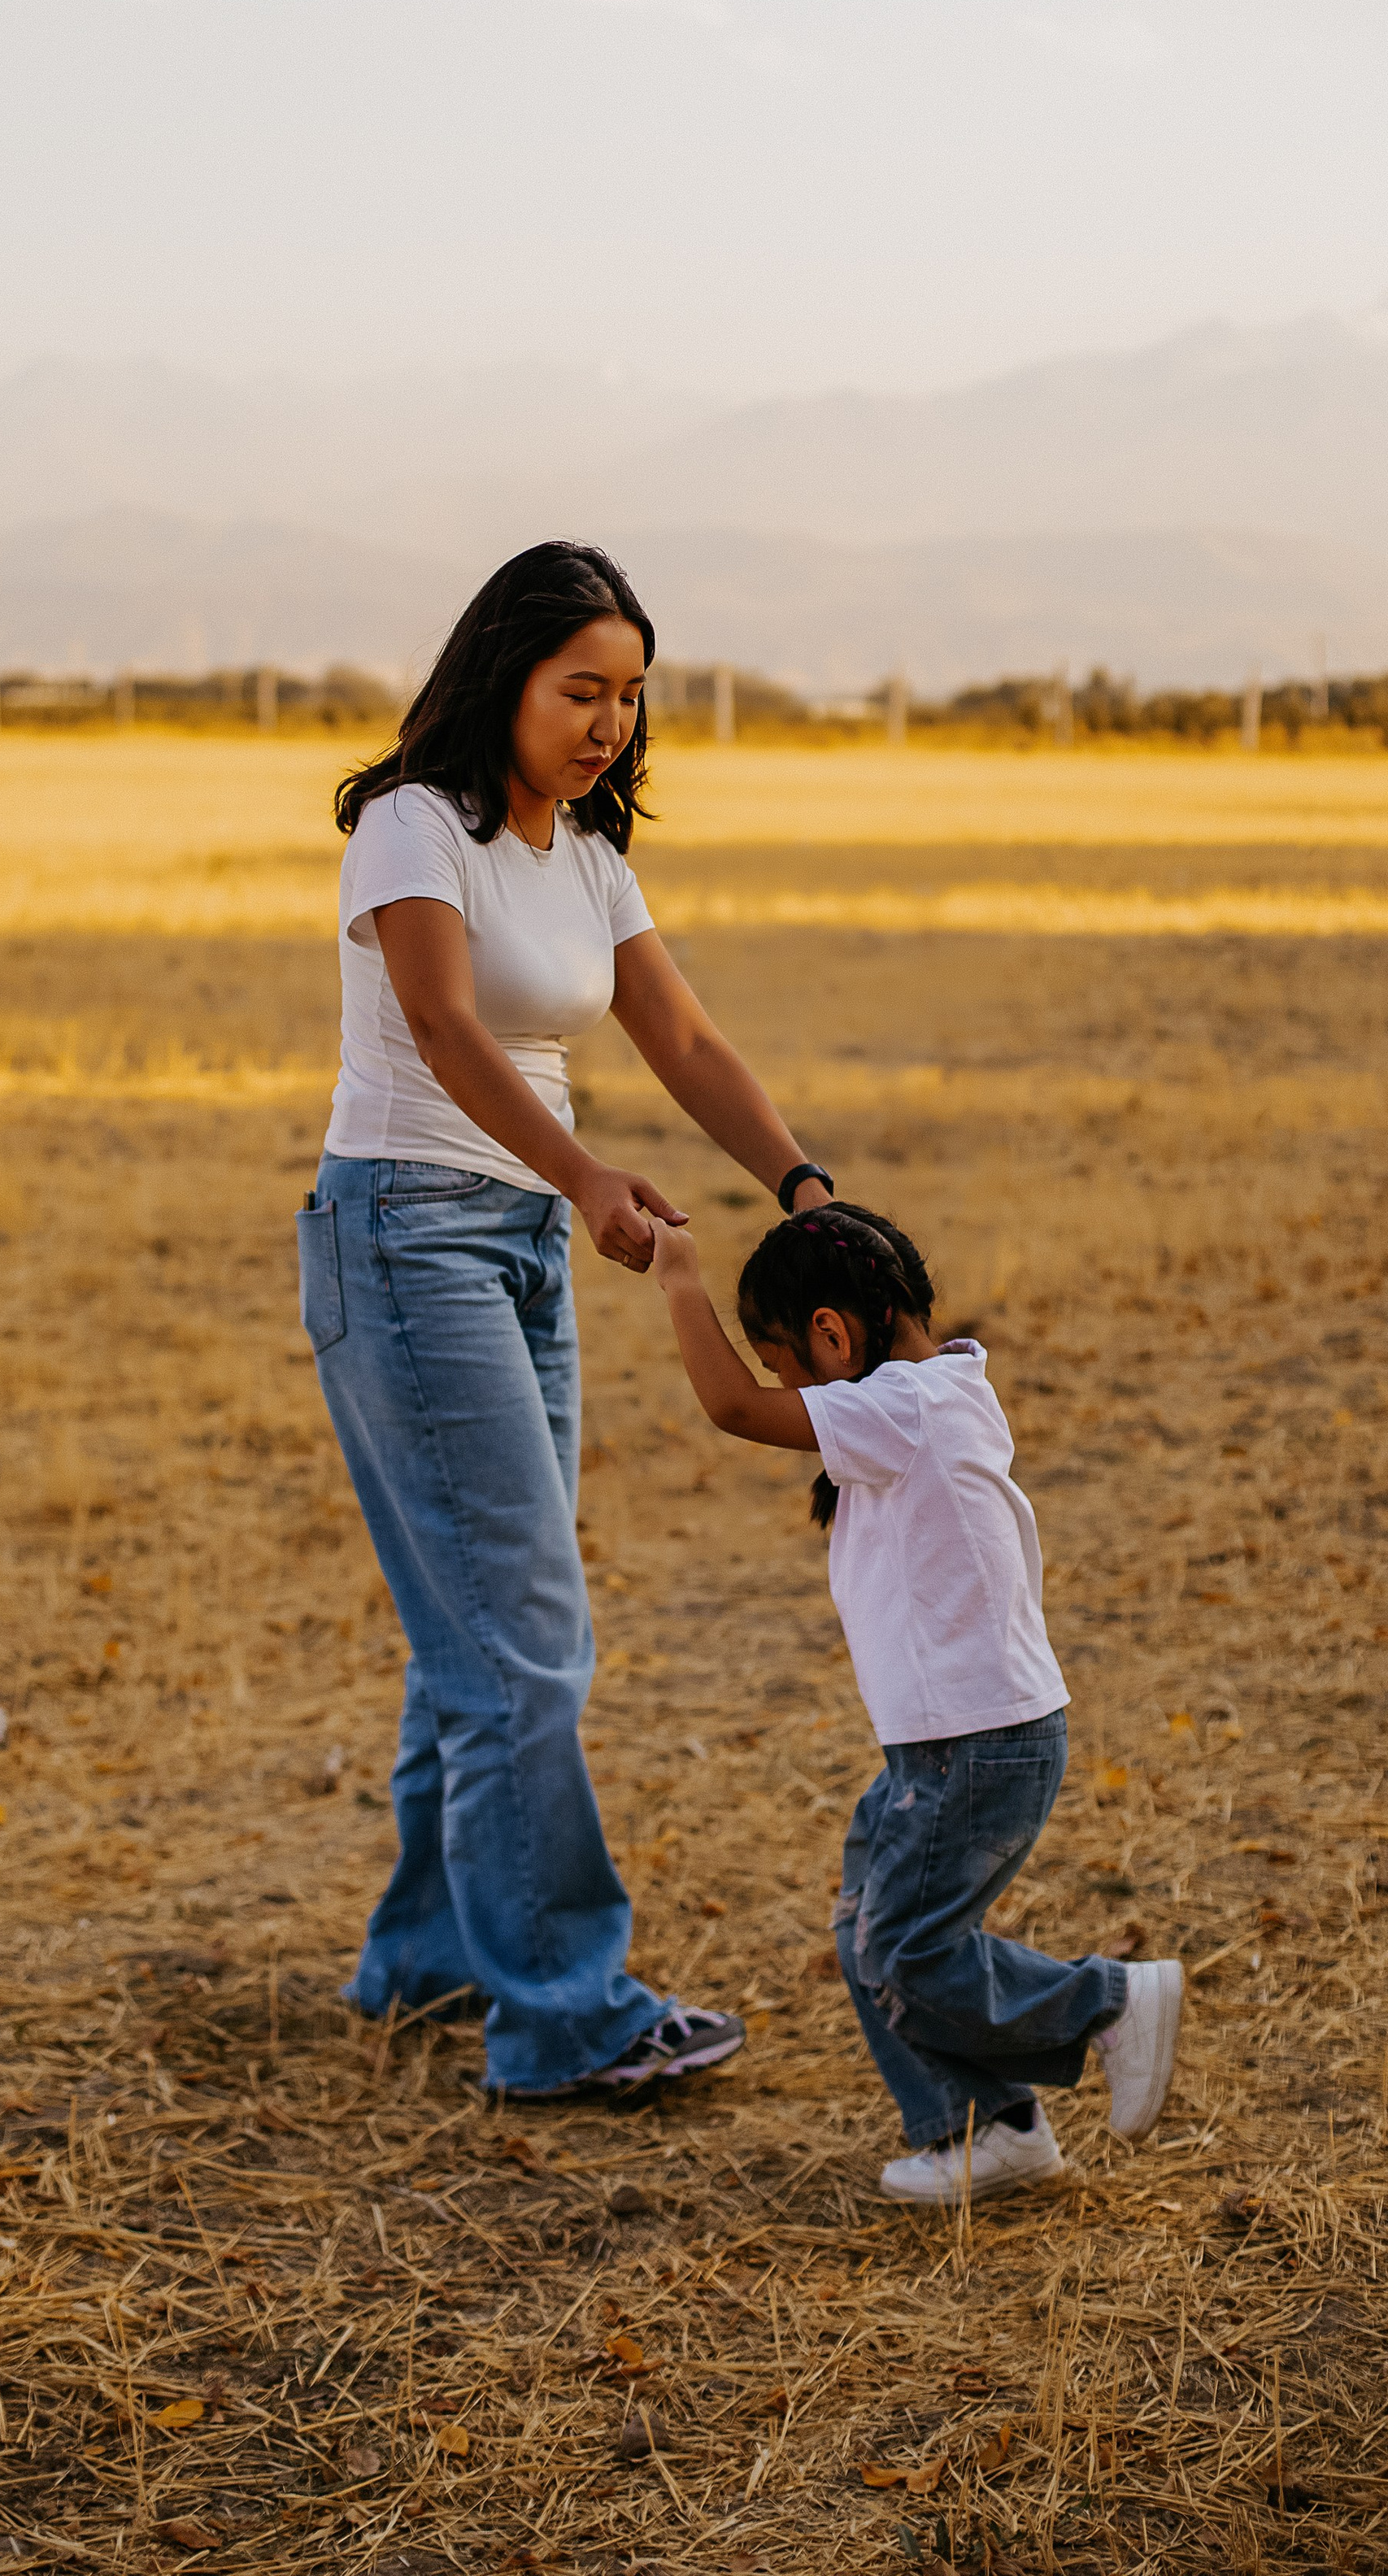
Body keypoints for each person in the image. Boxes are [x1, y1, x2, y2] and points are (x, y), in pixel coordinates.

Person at [300, 541, 838, 2102]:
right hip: (407, 1232)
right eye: (580, 690)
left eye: (631, 696)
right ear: (506, 679)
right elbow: (442, 1025)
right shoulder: (414, 825)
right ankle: (563, 2014)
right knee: (524, 1640)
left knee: (476, 1629)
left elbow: (684, 1036)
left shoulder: (589, 855)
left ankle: (429, 1958)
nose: (610, 724)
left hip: (522, 1242)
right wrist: (586, 1174)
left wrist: (804, 1188)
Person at [647, 1199, 1183, 2200]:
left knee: (901, 1948)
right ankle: (987, 2129)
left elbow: (731, 1409)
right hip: (954, 1744)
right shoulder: (935, 1390)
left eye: (784, 1365)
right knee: (869, 1934)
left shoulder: (903, 1406)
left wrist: (680, 1277)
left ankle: (1104, 2002)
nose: (784, 1393)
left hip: (972, 1747)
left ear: (831, 1333)